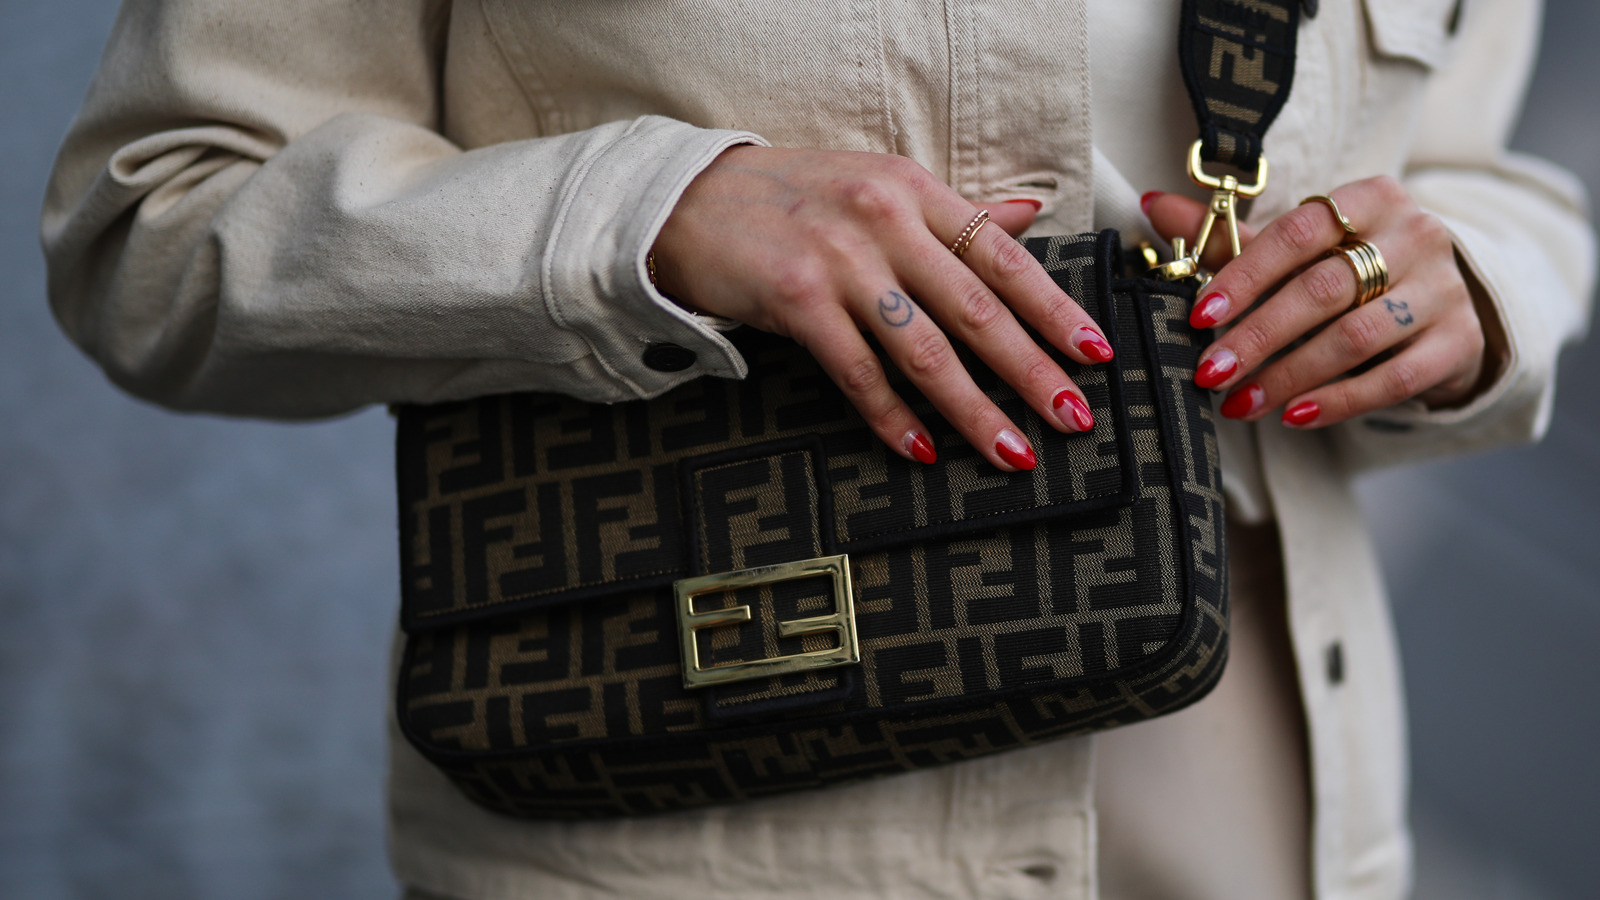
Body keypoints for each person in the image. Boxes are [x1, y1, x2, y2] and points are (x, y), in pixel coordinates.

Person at [41, 1, 1593, 898]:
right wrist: (647, 219)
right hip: (692, 824)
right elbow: (157, 231)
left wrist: (1469, 286)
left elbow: (1476, 170)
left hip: (1255, 817)